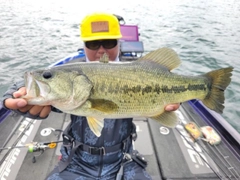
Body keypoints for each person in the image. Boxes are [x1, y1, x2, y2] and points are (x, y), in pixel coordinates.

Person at [3, 12, 180, 180]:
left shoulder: (137, 69)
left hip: (124, 159)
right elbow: (31, 89)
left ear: (119, 42)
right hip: (76, 161)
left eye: (109, 42)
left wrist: (165, 103)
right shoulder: (71, 71)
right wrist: (17, 97)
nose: (101, 50)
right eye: (93, 44)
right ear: (84, 45)